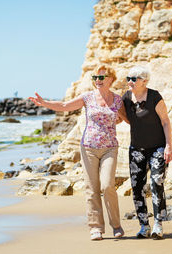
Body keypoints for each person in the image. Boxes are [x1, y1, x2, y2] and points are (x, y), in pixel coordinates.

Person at [29, 65, 127, 241]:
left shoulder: (118, 100)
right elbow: (65, 105)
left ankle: (116, 225)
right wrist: (45, 103)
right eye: (95, 77)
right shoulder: (87, 97)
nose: (97, 80)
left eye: (101, 77)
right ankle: (96, 227)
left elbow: (130, 119)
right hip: (88, 147)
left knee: (107, 186)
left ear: (111, 79)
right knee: (91, 189)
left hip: (110, 148)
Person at [120, 65, 172, 240]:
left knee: (157, 182)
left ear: (144, 81)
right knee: (136, 187)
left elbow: (165, 121)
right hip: (136, 148)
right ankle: (144, 226)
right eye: (128, 78)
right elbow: (125, 118)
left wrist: (168, 146)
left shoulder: (154, 96)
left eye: (134, 79)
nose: (130, 82)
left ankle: (158, 223)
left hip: (157, 147)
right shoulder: (127, 97)